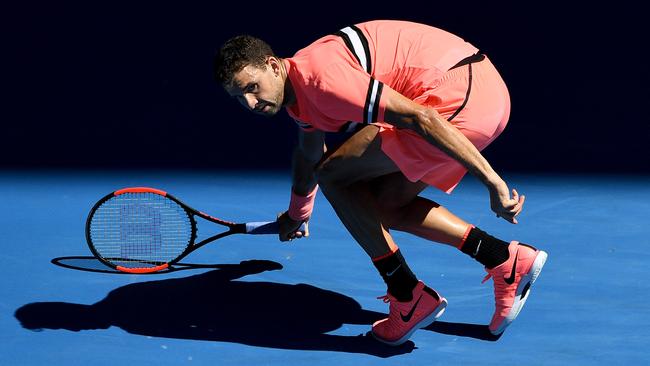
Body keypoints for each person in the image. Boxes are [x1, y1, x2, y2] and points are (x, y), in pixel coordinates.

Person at [213, 20, 547, 346]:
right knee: (383, 205)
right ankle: (504, 258)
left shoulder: (322, 79)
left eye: (252, 87)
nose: (250, 104)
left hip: (463, 97)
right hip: (479, 95)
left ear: (272, 66)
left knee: (334, 175)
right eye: (238, 97)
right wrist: (298, 212)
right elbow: (307, 154)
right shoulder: (300, 90)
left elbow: (421, 117)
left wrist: (492, 181)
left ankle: (408, 295)